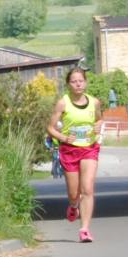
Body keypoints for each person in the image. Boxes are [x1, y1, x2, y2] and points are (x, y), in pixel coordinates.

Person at [47, 67, 101, 243]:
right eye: (74, 81)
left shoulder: (94, 102)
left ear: (85, 82)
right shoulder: (63, 103)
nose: (78, 84)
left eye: (81, 81)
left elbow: (99, 119)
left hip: (89, 148)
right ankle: (73, 205)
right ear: (68, 84)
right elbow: (50, 128)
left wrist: (98, 125)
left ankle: (84, 229)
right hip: (69, 150)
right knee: (73, 193)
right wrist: (63, 137)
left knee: (88, 189)